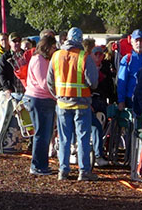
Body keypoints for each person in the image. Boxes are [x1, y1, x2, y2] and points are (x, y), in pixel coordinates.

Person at [48, 27, 100, 181]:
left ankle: (63, 171)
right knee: (82, 138)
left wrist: (57, 96)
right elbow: (94, 83)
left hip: (63, 104)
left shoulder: (56, 56)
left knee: (64, 138)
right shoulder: (84, 57)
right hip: (82, 104)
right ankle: (84, 171)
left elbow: (49, 82)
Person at [24, 34, 58, 177]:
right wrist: (58, 92)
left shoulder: (43, 60)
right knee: (41, 134)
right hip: (39, 99)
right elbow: (44, 83)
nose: (55, 50)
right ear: (47, 47)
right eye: (53, 47)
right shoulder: (38, 60)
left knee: (45, 134)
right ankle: (37, 165)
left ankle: (42, 164)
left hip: (44, 100)